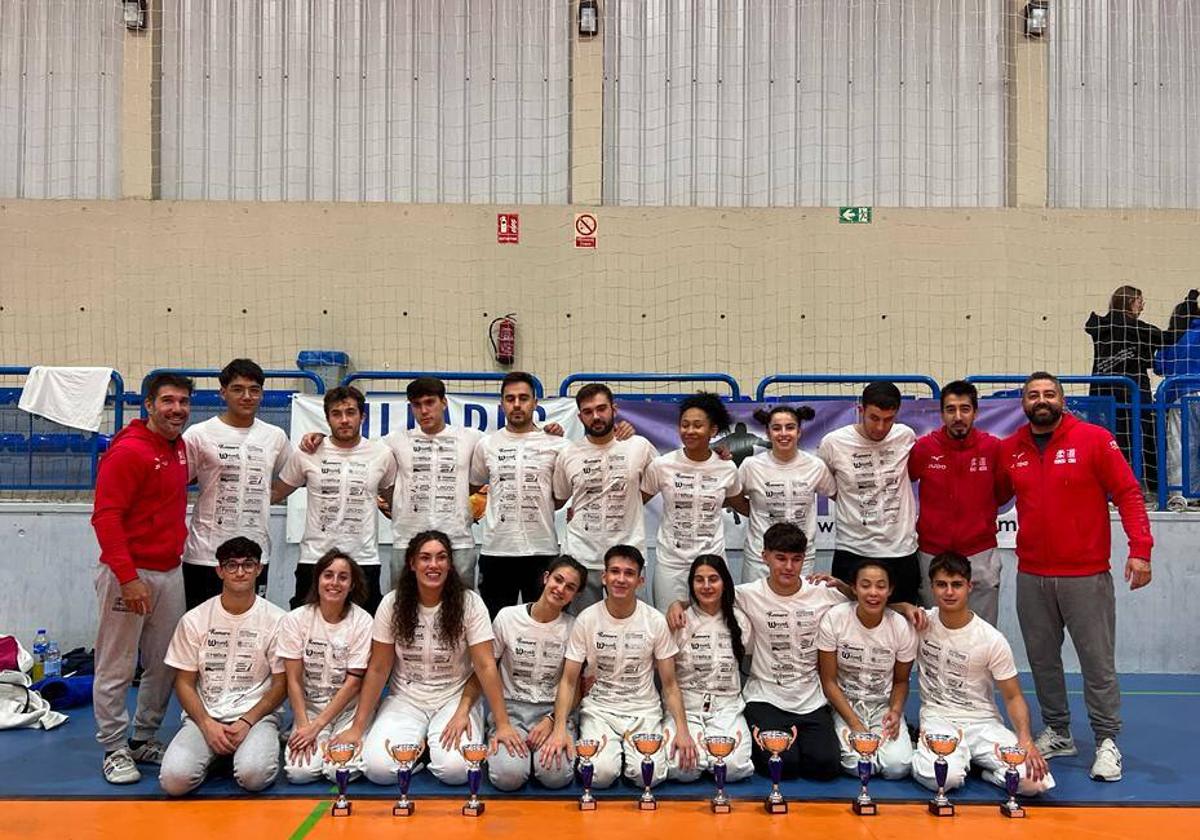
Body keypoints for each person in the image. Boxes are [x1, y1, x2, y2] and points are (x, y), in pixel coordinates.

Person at [996, 372, 1152, 782]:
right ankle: (1059, 731)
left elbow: (1129, 493)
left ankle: (1106, 741)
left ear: (1062, 400)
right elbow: (988, 496)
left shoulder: (1095, 440)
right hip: (1031, 575)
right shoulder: (1011, 448)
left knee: (1096, 663)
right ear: (1023, 403)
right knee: (1042, 661)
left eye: (1049, 394)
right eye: (1033, 395)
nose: (1041, 400)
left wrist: (1141, 550)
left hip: (1086, 576)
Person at [333, 531, 524, 786]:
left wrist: (502, 723)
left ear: (450, 564)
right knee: (378, 770)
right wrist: (358, 727)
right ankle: (420, 751)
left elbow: (486, 665)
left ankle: (427, 748)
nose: (433, 565)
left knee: (457, 771)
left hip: (453, 699)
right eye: (425, 558)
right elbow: (378, 669)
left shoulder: (470, 603)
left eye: (441, 558)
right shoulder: (392, 604)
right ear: (412, 564)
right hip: (406, 698)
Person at [91, 372, 193, 784]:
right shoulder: (128, 451)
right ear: (148, 405)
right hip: (128, 575)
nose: (177, 409)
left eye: (184, 402)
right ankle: (114, 747)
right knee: (116, 665)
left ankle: (143, 737)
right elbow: (105, 517)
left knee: (164, 663)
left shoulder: (180, 448)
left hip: (170, 571)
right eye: (168, 401)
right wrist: (128, 577)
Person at [540, 545, 697, 789]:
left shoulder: (655, 621)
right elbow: (569, 681)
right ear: (604, 577)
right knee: (599, 776)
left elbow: (670, 684)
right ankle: (613, 757)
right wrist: (559, 728)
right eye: (614, 571)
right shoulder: (587, 619)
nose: (621, 579)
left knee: (650, 776)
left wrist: (682, 729)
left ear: (640, 580)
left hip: (643, 711)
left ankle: (633, 754)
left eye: (629, 573)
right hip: (600, 711)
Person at [910, 552, 1053, 797]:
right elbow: (882, 608)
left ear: (969, 586)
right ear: (932, 587)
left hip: (983, 722)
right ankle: (934, 753)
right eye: (941, 585)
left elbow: (1013, 696)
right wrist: (904, 606)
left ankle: (984, 770)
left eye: (956, 585)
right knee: (943, 779)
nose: (949, 592)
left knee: (1035, 782)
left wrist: (1025, 740)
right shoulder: (921, 623)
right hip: (939, 718)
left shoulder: (991, 639)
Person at [158, 537, 288, 796]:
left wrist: (247, 721)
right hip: (206, 717)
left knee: (253, 776)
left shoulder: (278, 620)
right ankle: (216, 752)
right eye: (231, 565)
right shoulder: (194, 620)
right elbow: (183, 682)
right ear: (219, 570)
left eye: (248, 565)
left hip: (256, 718)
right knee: (174, 781)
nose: (240, 572)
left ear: (259, 569)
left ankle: (249, 748)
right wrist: (206, 724)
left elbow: (281, 684)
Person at [734, 522, 851, 781]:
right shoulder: (748, 594)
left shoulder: (822, 593)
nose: (788, 567)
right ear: (764, 557)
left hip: (810, 698)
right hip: (766, 697)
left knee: (826, 767)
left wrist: (844, 586)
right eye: (781, 558)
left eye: (796, 559)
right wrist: (678, 603)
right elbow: (707, 596)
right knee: (783, 766)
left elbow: (867, 603)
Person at [273, 385, 397, 612]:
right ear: (327, 418)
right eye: (336, 414)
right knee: (306, 629)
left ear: (363, 416)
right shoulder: (307, 453)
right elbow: (275, 493)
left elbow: (395, 501)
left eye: (350, 413)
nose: (344, 420)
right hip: (315, 559)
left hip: (364, 560)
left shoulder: (382, 454)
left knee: (364, 632)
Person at [182, 358, 291, 609]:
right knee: (203, 629)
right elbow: (178, 481)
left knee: (249, 630)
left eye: (254, 390)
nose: (247, 396)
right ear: (223, 392)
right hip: (205, 555)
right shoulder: (198, 434)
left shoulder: (275, 436)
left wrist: (269, 496)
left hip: (256, 553)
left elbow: (295, 473)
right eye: (238, 389)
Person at [483, 556, 587, 790]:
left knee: (555, 776)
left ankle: (542, 753)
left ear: (575, 595)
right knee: (508, 777)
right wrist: (502, 723)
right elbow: (486, 670)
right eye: (558, 580)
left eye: (570, 587)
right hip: (511, 708)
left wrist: (554, 723)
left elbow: (574, 687)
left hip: (553, 711)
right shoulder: (507, 617)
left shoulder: (575, 627)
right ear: (545, 578)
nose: (561, 589)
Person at [469, 372, 568, 618]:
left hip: (542, 551)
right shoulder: (486, 445)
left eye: (523, 398)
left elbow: (560, 497)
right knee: (496, 625)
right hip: (497, 553)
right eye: (510, 398)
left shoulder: (557, 445)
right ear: (501, 403)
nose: (516, 404)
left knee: (545, 625)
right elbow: (473, 486)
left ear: (535, 402)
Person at [553, 384, 657, 612]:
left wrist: (633, 501)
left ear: (614, 409)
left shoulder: (639, 446)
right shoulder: (568, 454)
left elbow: (662, 478)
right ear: (580, 417)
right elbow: (559, 497)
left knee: (631, 630)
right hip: (581, 558)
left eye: (602, 408)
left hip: (627, 558)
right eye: (588, 412)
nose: (596, 416)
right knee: (582, 630)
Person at [907, 380, 1004, 624]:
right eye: (951, 410)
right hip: (932, 552)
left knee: (982, 632)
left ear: (975, 412)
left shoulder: (993, 448)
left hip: (979, 552)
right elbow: (905, 480)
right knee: (933, 632)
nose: (958, 416)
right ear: (942, 414)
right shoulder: (924, 448)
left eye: (965, 409)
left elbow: (1004, 492)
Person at [818, 381, 920, 605]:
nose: (881, 427)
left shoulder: (905, 436)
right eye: (874, 418)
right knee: (848, 627)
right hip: (853, 549)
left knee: (905, 627)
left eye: (889, 419)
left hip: (901, 550)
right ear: (860, 410)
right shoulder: (833, 443)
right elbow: (828, 487)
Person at [278, 550, 373, 784]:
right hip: (309, 710)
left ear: (351, 585)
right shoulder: (295, 619)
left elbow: (353, 683)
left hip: (350, 709)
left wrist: (318, 727)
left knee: (337, 770)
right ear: (318, 580)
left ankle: (364, 732)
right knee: (300, 773)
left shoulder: (363, 622)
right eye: (328, 575)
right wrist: (303, 725)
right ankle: (296, 730)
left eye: (343, 577)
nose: (334, 583)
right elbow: (293, 679)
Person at [816, 560, 916, 780]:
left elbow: (901, 681)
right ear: (854, 588)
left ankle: (900, 738)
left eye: (880, 586)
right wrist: (855, 724)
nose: (873, 593)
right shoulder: (835, 618)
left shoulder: (900, 626)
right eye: (865, 585)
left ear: (890, 590)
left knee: (897, 767)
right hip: (844, 704)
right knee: (858, 766)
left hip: (882, 705)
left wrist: (896, 711)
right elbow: (828, 681)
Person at [640, 392, 742, 608]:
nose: (689, 431)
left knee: (712, 625)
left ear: (713, 430)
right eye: (684, 425)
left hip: (712, 561)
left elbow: (742, 503)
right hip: (671, 563)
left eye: (697, 425)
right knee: (669, 626)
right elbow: (634, 502)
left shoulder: (727, 467)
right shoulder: (662, 465)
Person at [665, 555, 754, 784]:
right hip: (687, 707)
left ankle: (708, 753)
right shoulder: (679, 621)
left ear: (724, 582)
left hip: (726, 707)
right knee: (683, 769)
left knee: (731, 769)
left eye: (713, 579)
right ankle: (703, 752)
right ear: (691, 585)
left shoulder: (740, 621)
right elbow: (668, 679)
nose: (706, 586)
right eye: (699, 580)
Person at [730, 405, 835, 581]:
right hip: (759, 559)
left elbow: (838, 495)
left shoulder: (815, 465)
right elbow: (734, 498)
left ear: (799, 432)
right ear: (768, 433)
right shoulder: (751, 465)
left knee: (798, 608)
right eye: (777, 428)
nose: (783, 433)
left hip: (800, 558)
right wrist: (755, 512)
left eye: (790, 427)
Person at [1085, 285, 1164, 493]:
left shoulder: (1102, 327)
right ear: (1130, 302)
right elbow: (1169, 338)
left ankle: (1110, 487)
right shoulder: (1138, 329)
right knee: (1139, 440)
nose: (1143, 304)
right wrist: (1187, 308)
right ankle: (1138, 487)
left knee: (1110, 441)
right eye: (1140, 300)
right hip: (1134, 394)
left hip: (1102, 394)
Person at [1154, 290, 1200, 511]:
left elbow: (1159, 367)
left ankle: (1180, 495)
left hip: (1179, 395)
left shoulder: (1172, 337)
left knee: (1180, 446)